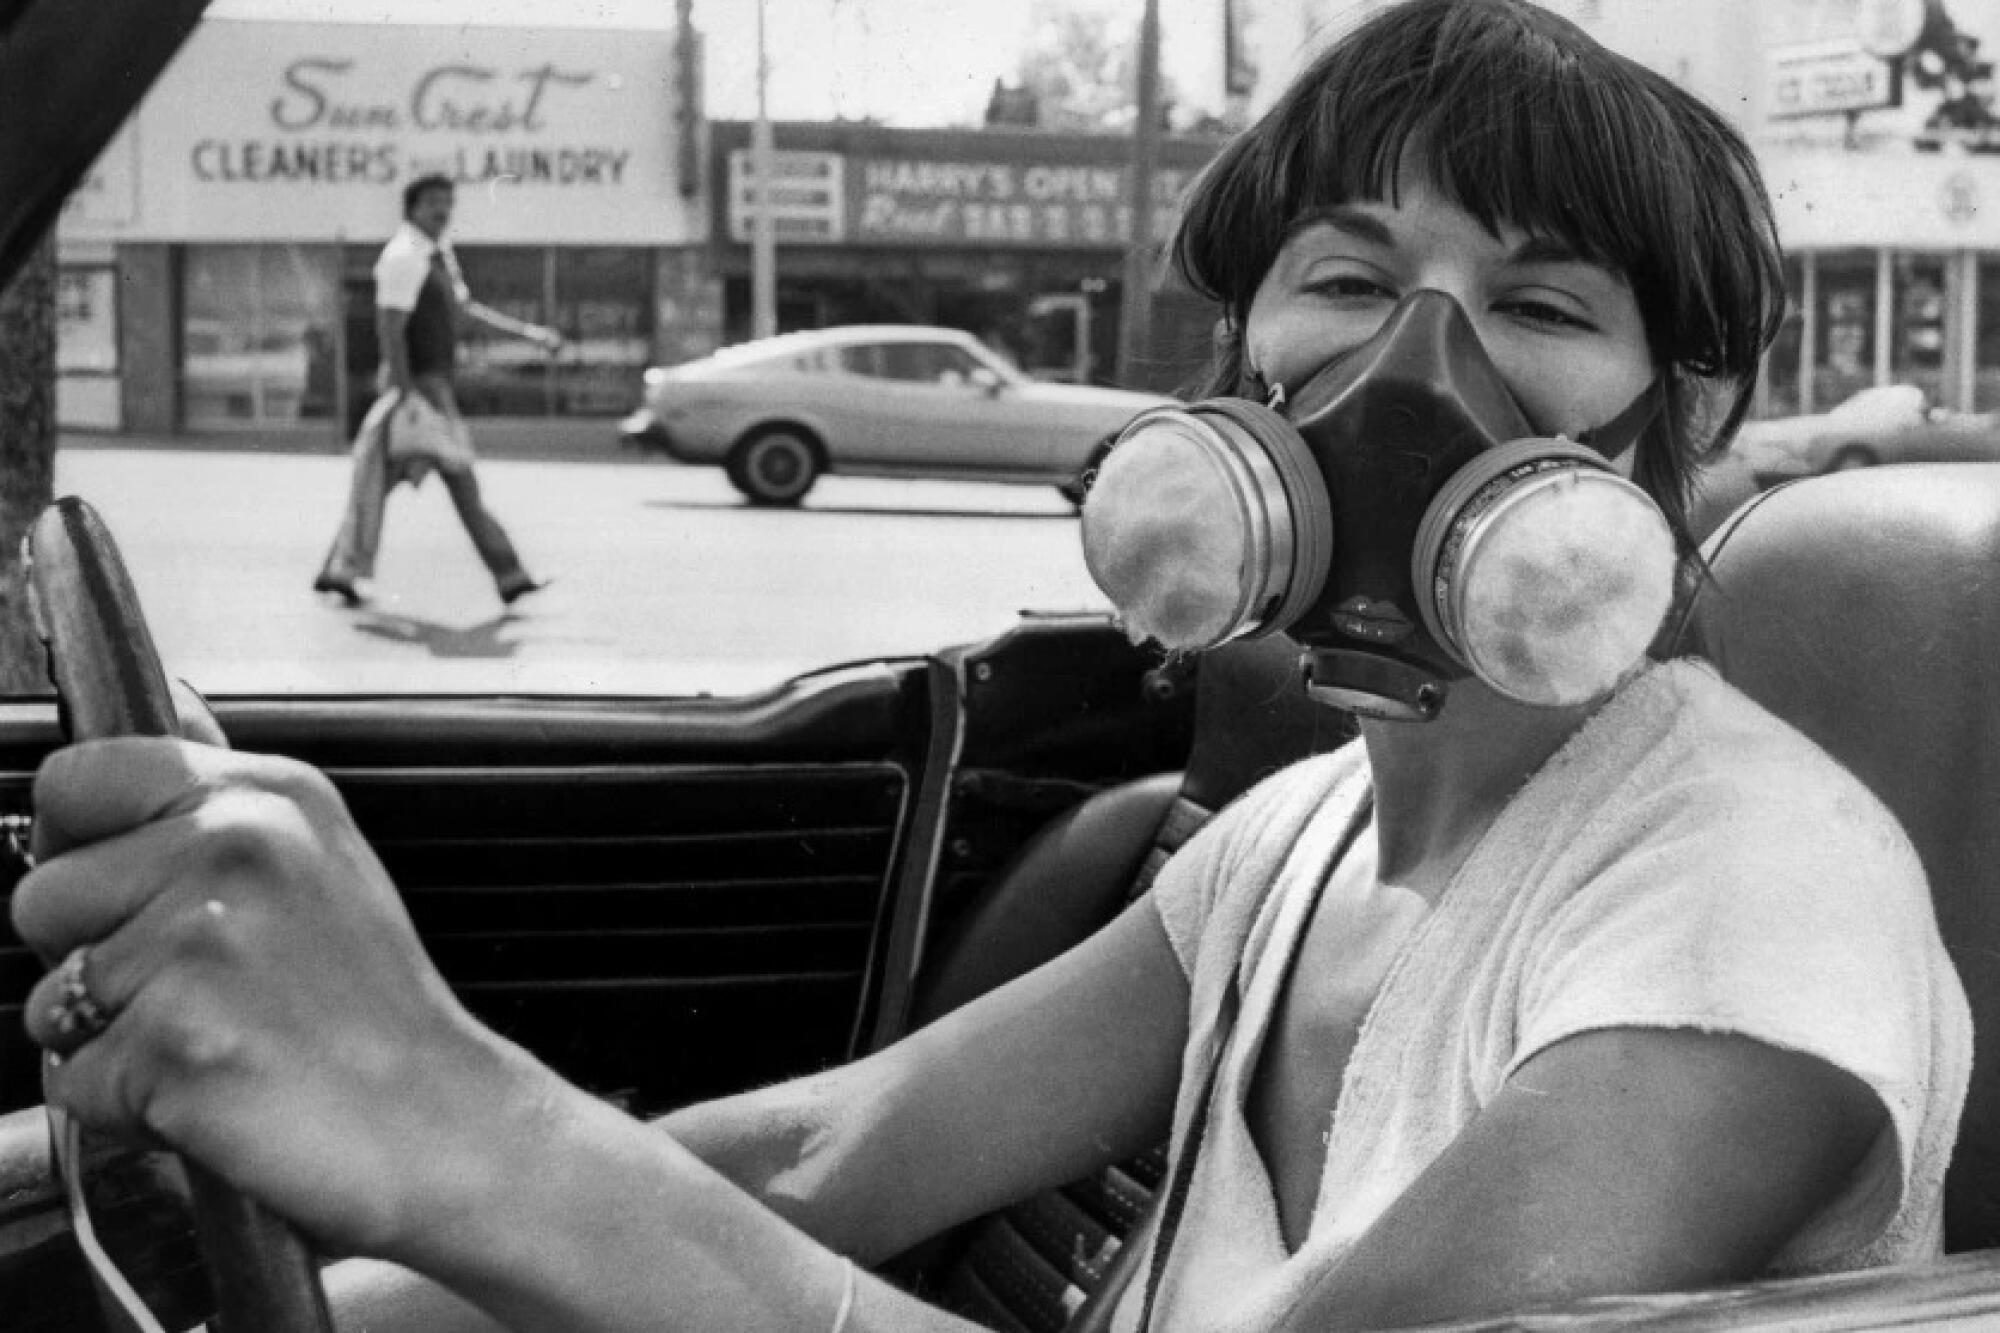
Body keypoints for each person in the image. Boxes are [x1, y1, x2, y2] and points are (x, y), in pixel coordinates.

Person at [13, 4, 1973, 1332]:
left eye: (1541, 304)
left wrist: (458, 1122)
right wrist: (339, 1272)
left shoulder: (1748, 919)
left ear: (1676, 420)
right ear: (1240, 375)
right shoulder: (1289, 837)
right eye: (1352, 282)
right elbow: (831, 1147)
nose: (1415, 373)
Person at [313, 174, 561, 607]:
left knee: (377, 483)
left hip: (431, 388)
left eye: (448, 201)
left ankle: (339, 571)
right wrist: (407, 396)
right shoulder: (403, 256)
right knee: (450, 482)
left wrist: (529, 334)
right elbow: (390, 330)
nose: (442, 210)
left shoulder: (438, 255)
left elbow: (465, 311)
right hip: (419, 391)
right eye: (432, 202)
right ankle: (510, 574)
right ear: (411, 208)